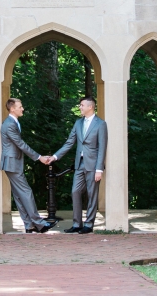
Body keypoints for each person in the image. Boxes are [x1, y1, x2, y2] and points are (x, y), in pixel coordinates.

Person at [49, 96, 107, 234]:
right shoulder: (78, 123)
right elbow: (69, 142)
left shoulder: (101, 124)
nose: (80, 107)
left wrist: (99, 169)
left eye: (82, 105)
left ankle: (89, 224)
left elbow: (102, 147)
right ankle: (77, 224)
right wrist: (55, 156)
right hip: (79, 164)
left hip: (93, 165)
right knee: (75, 191)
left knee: (92, 194)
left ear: (90, 107)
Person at [0, 98, 59, 233]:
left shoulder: (13, 122)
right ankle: (40, 223)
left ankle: (29, 225)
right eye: (20, 107)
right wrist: (39, 157)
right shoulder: (9, 124)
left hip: (12, 162)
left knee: (19, 195)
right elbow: (20, 144)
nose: (22, 109)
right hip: (12, 162)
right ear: (12, 109)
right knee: (26, 192)